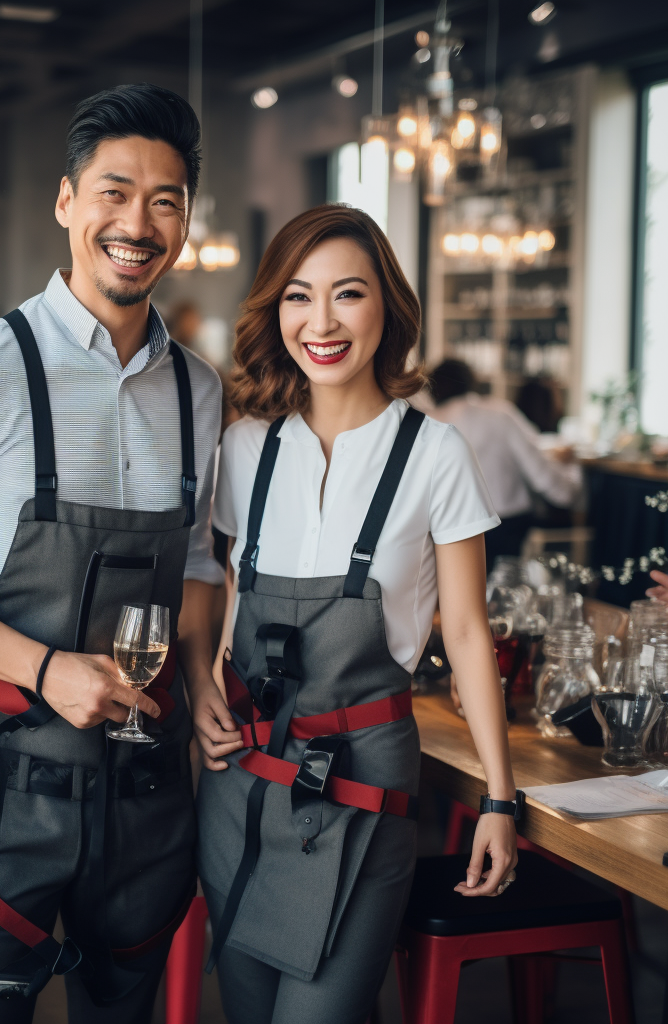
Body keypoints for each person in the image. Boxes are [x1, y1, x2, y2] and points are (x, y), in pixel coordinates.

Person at [0, 84, 223, 1023]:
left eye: (166, 200)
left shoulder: (201, 392)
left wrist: (205, 672)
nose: (138, 222)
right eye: (114, 192)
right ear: (66, 202)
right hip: (8, 795)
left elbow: (195, 565)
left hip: (147, 803)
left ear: (185, 219)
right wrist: (46, 669)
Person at [192, 206, 519, 1023]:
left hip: (364, 786)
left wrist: (500, 799)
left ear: (388, 309)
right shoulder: (244, 448)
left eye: (349, 294)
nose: (323, 322)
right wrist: (200, 677)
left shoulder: (435, 453)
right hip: (244, 785)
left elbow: (470, 635)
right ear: (275, 311)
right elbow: (209, 582)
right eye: (299, 297)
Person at [427, 359, 581, 564]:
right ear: (472, 382)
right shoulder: (500, 414)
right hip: (507, 525)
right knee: (506, 589)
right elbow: (545, 479)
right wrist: (570, 476)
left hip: (447, 527)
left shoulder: (426, 423)